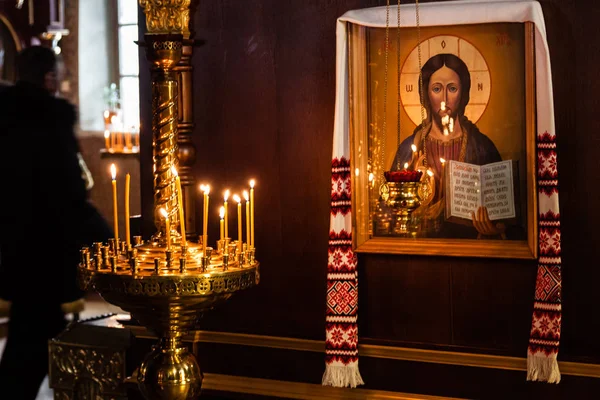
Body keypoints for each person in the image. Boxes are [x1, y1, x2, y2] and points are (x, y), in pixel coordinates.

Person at [0, 46, 112, 399]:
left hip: (15, 243)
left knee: (29, 334)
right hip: (47, 248)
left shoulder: (5, 116)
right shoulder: (50, 119)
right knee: (32, 339)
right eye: (59, 73)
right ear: (49, 77)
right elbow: (69, 189)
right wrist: (104, 238)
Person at [390, 53, 506, 238]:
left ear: (463, 93)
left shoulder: (482, 147)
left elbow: (503, 214)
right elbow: (390, 213)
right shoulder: (409, 148)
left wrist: (493, 230)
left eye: (452, 89)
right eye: (437, 89)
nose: (444, 98)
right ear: (426, 94)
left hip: (468, 252)